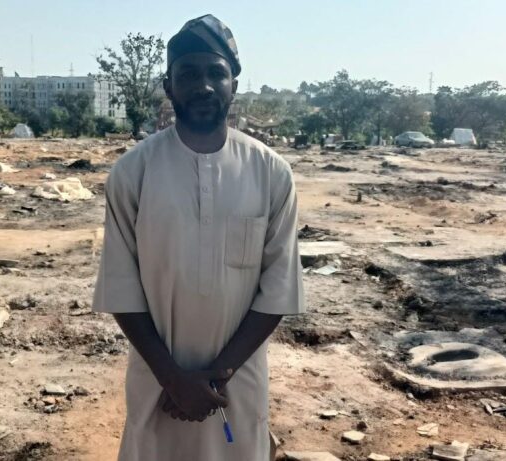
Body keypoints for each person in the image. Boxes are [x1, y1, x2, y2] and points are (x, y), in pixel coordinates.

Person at [93, 14, 305, 461]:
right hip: (156, 377)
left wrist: (217, 375)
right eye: (188, 74)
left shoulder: (270, 173)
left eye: (216, 73)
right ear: (169, 86)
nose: (203, 85)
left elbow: (278, 287)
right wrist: (172, 378)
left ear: (234, 83)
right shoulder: (134, 172)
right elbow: (120, 285)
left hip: (238, 379)